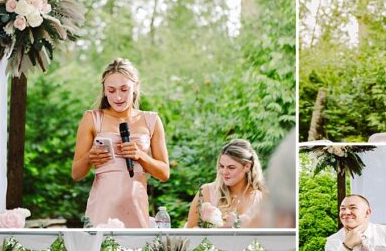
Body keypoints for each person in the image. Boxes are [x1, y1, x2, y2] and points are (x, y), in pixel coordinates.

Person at [71, 58, 170, 228]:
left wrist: (139, 156)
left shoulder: (151, 120)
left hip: (136, 208)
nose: (118, 96)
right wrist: (89, 158)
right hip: (101, 208)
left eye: (124, 89)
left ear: (136, 87)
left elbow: (164, 173)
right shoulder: (92, 118)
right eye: (111, 90)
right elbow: (76, 174)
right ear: (104, 90)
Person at [186, 139, 266, 228]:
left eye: (231, 167)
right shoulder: (206, 192)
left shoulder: (262, 199)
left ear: (247, 166)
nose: (224, 172)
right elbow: (190, 232)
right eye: (221, 166)